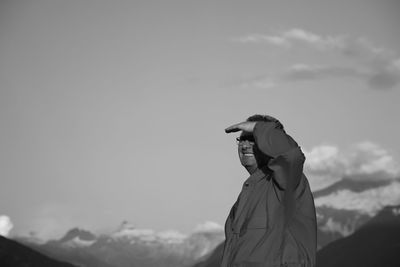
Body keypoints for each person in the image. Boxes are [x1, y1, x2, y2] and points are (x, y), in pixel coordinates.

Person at [221, 115, 317, 267]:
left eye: (253, 139)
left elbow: (290, 156)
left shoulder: (287, 181)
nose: (245, 145)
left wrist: (258, 128)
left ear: (270, 145)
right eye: (242, 140)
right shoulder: (247, 194)